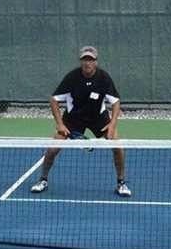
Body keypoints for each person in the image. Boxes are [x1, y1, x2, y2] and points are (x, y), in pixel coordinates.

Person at [30, 45, 131, 197]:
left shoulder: (104, 78)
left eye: (90, 60)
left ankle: (121, 183)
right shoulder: (72, 77)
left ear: (96, 62)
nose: (87, 63)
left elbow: (116, 102)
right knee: (52, 149)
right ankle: (43, 180)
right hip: (74, 118)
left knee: (118, 147)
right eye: (85, 59)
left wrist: (112, 124)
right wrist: (60, 124)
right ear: (81, 61)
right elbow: (54, 100)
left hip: (98, 118)